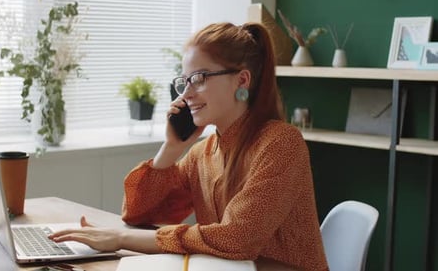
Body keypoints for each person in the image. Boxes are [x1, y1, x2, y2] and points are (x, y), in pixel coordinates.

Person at [50, 22, 328, 271]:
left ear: (242, 80)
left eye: (200, 78)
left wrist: (122, 239)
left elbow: (236, 239)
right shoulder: (203, 153)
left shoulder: (280, 143)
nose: (186, 94)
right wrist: (171, 148)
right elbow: (138, 213)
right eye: (184, 81)